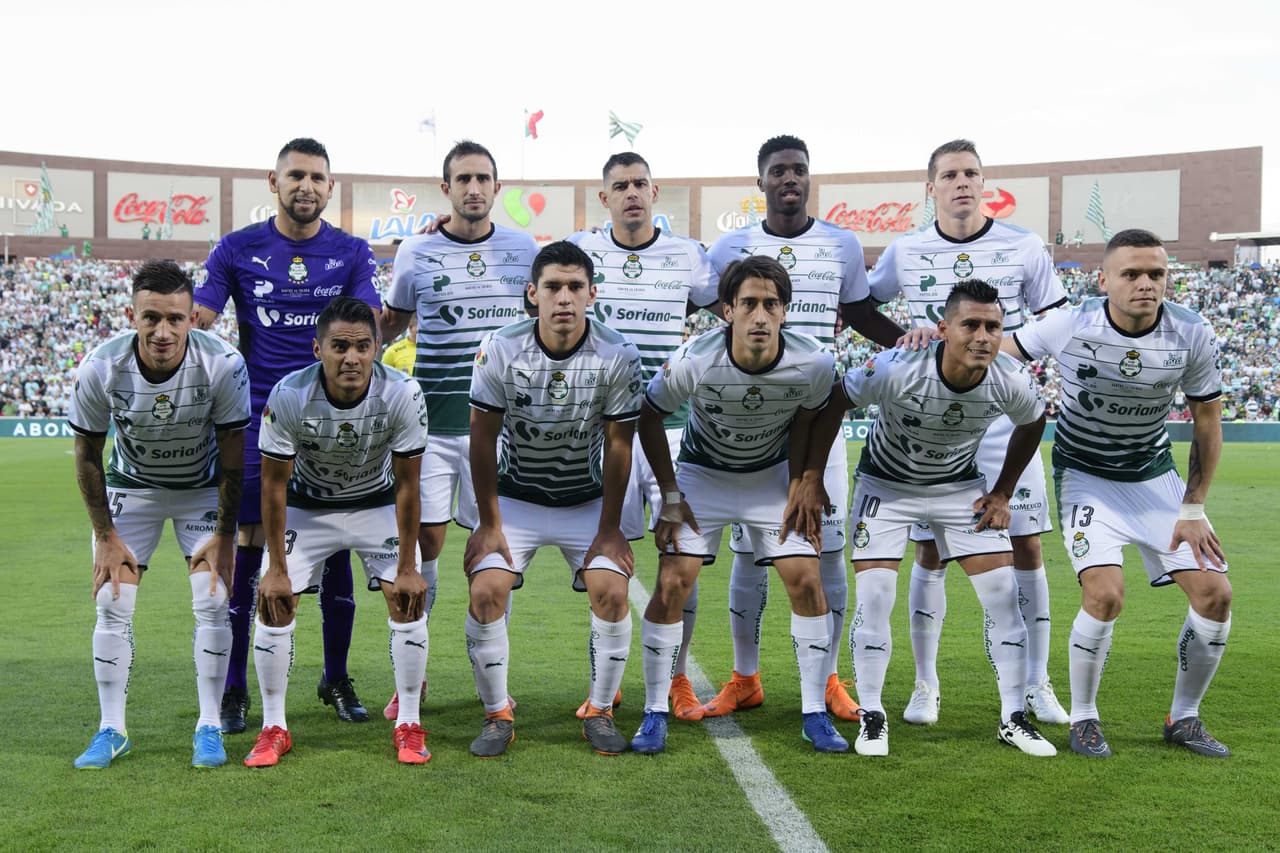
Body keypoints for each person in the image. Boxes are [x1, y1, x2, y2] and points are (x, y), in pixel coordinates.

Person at [864, 139, 1070, 726]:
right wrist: (899, 343)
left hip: (1003, 419)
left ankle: (1036, 682)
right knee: (930, 550)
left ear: (985, 183)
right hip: (929, 420)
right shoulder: (907, 250)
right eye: (950, 174)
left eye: (971, 173)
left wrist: (1010, 343)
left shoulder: (1023, 245)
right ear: (929, 188)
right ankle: (926, 686)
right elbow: (861, 304)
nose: (962, 182)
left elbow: (1059, 314)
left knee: (1025, 545)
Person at [1005, 229, 1232, 758]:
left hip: (1156, 479)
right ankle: (1084, 719)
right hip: (1086, 477)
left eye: (1156, 274)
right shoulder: (1071, 321)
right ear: (1103, 279)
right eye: (1131, 274)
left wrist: (1193, 507)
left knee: (1216, 595)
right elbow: (1001, 351)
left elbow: (1207, 420)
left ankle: (1185, 718)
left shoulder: (1191, 332)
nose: (1145, 284)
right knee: (1105, 595)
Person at [804, 279, 1055, 757]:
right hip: (886, 488)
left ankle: (1013, 717)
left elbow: (1034, 421)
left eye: (994, 327)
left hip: (959, 490)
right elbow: (835, 400)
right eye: (971, 325)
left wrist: (1002, 492)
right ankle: (873, 716)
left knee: (1003, 596)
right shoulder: (897, 367)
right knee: (875, 596)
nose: (983, 336)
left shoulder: (1010, 379)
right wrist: (812, 476)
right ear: (943, 329)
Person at [702, 135, 904, 722]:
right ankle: (745, 677)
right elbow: (697, 299)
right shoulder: (730, 246)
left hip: (818, 420)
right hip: (750, 422)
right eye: (778, 171)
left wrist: (919, 345)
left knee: (828, 549)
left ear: (809, 179)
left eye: (799, 170)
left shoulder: (841, 243)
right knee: (749, 555)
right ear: (760, 182)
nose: (790, 178)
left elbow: (862, 315)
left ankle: (831, 678)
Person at [196, 138, 382, 732]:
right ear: (272, 183)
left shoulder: (351, 252)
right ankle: (234, 688)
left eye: (317, 177)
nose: (306, 185)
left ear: (332, 188)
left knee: (335, 544)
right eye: (295, 175)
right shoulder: (236, 249)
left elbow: (372, 324)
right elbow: (198, 320)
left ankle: (335, 675)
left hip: (335, 419)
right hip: (259, 419)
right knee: (252, 545)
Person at [631, 255, 848, 755]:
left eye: (771, 304)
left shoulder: (813, 361)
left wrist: (804, 480)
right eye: (748, 303)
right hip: (703, 478)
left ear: (786, 311)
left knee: (806, 578)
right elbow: (648, 416)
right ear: (726, 310)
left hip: (770, 479)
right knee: (671, 582)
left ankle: (814, 711)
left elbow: (812, 419)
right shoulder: (694, 359)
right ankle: (654, 711)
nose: (760, 316)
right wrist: (669, 494)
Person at [462, 241, 643, 757]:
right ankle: (497, 715)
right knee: (486, 590)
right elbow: (481, 438)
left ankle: (601, 709)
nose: (563, 298)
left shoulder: (618, 353)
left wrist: (609, 529)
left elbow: (618, 444)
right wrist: (489, 523)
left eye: (574, 287)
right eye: (553, 287)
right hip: (515, 499)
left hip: (585, 502)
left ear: (592, 294)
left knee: (611, 590)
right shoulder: (499, 347)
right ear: (532, 294)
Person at [69, 260, 250, 769]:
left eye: (175, 318)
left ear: (193, 316)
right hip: (134, 488)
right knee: (110, 599)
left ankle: (209, 725)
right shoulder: (100, 366)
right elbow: (86, 455)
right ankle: (111, 729)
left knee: (213, 601)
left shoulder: (223, 363)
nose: (163, 331)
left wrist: (224, 530)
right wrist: (104, 534)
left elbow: (234, 451)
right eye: (151, 318)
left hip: (199, 489)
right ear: (132, 314)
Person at [379, 141, 538, 721]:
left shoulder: (524, 248)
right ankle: (410, 676)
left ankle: (489, 674)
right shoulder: (415, 251)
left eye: (484, 179)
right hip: (436, 429)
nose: (474, 188)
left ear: (498, 188)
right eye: (463, 178)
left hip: (504, 433)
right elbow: (391, 323)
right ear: (444, 188)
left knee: (497, 551)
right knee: (424, 548)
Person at [565, 151, 719, 722]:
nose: (631, 193)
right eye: (620, 186)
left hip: (673, 429)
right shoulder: (582, 250)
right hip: (605, 432)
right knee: (609, 558)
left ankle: (677, 677)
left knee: (683, 556)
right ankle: (604, 679)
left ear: (656, 193)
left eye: (640, 185)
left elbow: (730, 296)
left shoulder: (689, 256)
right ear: (604, 198)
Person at [244, 298, 429, 767]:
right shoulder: (289, 395)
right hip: (309, 510)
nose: (352, 357)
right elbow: (273, 485)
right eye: (340, 346)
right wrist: (277, 569)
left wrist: (408, 566)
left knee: (406, 598)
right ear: (317, 348)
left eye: (363, 346)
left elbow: (409, 485)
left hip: (375, 505)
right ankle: (274, 727)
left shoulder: (403, 393)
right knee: (275, 601)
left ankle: (409, 722)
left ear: (377, 348)